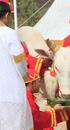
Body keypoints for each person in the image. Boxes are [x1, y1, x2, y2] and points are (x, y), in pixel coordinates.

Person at [0, 1, 33, 130]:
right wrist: (26, 79)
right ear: (7, 15)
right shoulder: (10, 33)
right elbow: (19, 61)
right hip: (11, 93)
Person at [25, 55, 68, 130]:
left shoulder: (28, 95)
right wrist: (53, 110)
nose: (39, 84)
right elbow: (36, 120)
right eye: (38, 81)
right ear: (32, 83)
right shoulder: (27, 97)